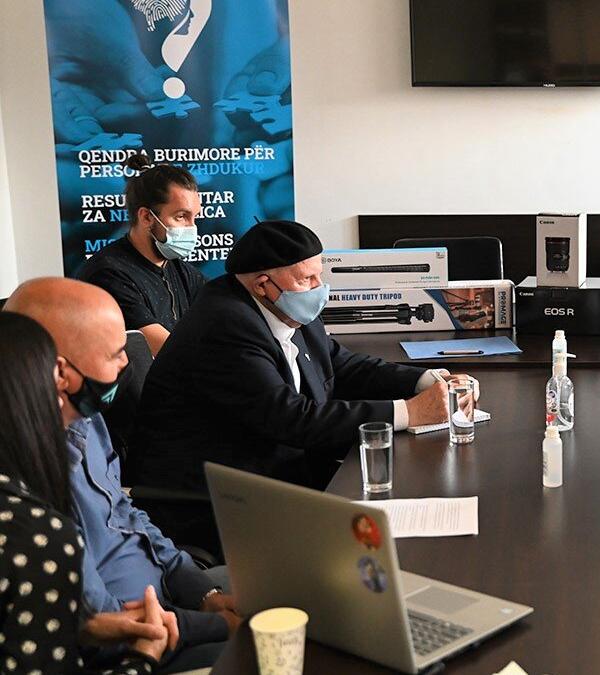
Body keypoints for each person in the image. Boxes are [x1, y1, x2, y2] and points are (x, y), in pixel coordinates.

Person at [135, 220, 466, 548]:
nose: (320, 287)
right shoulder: (224, 327)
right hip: (217, 500)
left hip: (277, 472)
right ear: (263, 284)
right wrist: (409, 413)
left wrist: (429, 380)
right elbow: (291, 418)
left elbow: (342, 364)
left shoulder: (287, 307)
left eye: (319, 275)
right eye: (308, 278)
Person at [4, 279, 237, 674]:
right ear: (60, 372)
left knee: (300, 592)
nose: (127, 363)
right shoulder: (27, 492)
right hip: (135, 647)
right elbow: (96, 622)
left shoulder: (87, 418)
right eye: (114, 353)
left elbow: (127, 513)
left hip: (170, 601)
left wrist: (203, 593)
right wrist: (216, 625)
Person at [76, 156, 206, 356]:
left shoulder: (181, 270)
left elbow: (223, 314)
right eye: (181, 216)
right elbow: (168, 352)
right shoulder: (108, 274)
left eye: (194, 217)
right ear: (146, 217)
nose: (192, 227)